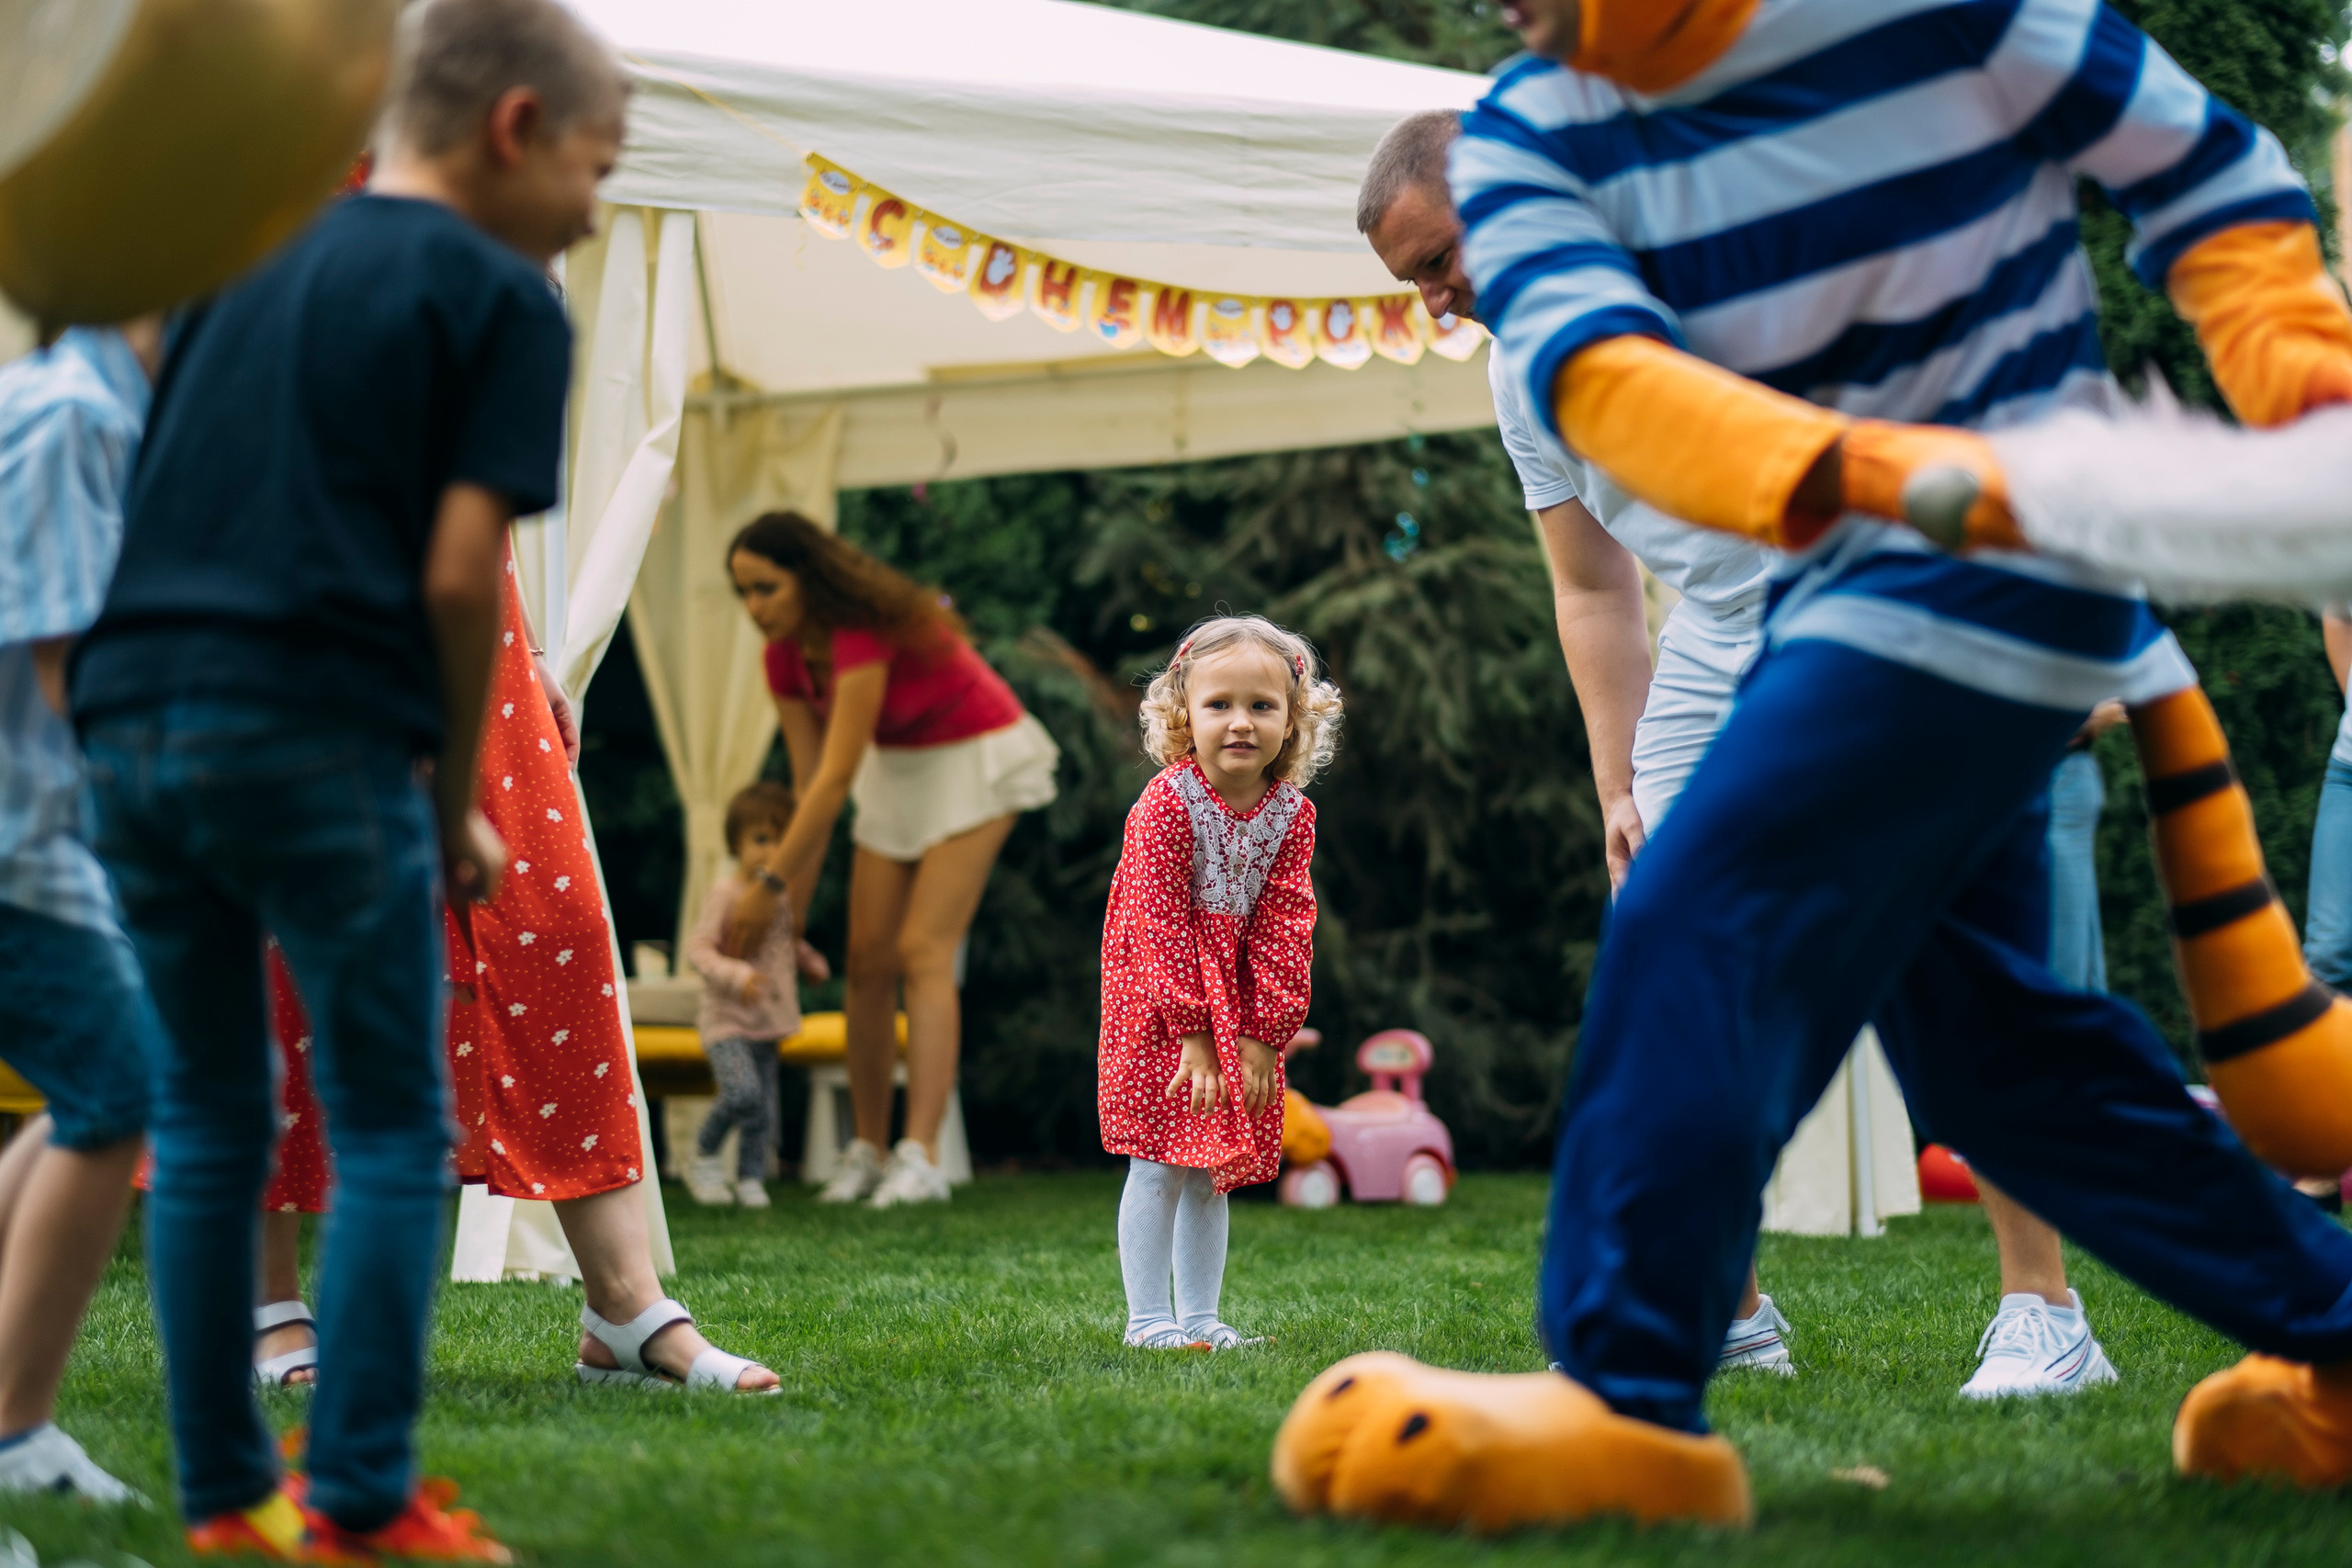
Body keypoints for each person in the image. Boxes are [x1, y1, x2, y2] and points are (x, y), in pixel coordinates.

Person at [1274, 0, 2352, 1529]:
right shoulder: (1531, 143)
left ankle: (1624, 1396)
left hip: (1995, 559)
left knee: (1693, 929)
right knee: (2001, 1056)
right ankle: (2335, 1324)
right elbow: (1608, 383)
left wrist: (2309, 396)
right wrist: (1871, 475)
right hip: (1846, 579)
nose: (1446, 300)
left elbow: (2204, 165)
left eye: (1433, 266)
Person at [1359, 109, 2117, 1400]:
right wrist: (1619, 780)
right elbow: (1594, 591)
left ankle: (2045, 1312)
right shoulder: (1516, 373)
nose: (1440, 303)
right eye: (1415, 285)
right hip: (1716, 641)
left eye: (1442, 261)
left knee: (1970, 961)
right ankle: (1718, 1304)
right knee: (1662, 961)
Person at [72, 0, 626, 1554]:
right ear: (514, 126)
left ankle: (226, 1500)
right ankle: (364, 1502)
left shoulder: (238, 255)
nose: (591, 207)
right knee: (389, 1124)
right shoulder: (501, 299)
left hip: (136, 721)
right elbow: (460, 579)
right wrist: (454, 789)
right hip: (313, 724)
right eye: (595, 166)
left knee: (207, 1112)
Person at [244, 557, 784, 1394]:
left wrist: (527, 649)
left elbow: (475, 505)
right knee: (290, 949)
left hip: (480, 638)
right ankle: (265, 1303)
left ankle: (623, 1309)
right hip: (326, 613)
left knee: (555, 928)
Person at [726, 511, 1060, 1208]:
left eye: (766, 588)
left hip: (975, 755)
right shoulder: (783, 656)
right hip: (898, 768)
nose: (755, 608)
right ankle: (869, 1150)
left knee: (922, 949)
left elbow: (834, 779)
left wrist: (764, 887)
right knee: (865, 956)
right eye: (744, 594)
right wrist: (788, 913)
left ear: (807, 577)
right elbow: (807, 781)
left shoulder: (860, 632)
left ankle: (923, 1155)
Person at [0, 320, 163, 1503]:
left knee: (99, 1088)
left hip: (35, 830)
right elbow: (79, 670)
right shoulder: (76, 415)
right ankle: (11, 1436)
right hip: (14, 837)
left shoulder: (107, 410)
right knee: (115, 1089)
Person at [1101, 616, 1332, 1349]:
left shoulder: (1291, 816)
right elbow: (1157, 923)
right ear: (1183, 714)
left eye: (1262, 706)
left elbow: (1288, 924)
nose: (1240, 722)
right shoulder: (1167, 803)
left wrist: (1265, 1034)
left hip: (1234, 1006)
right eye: (1219, 704)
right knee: (1161, 1159)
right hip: (1160, 1003)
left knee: (1212, 1169)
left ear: (1292, 722)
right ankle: (1147, 1320)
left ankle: (1201, 1317)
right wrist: (1193, 1033)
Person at [682, 782, 805, 1210]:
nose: (771, 852)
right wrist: (737, 974)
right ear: (737, 842)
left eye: (780, 841)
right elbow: (698, 949)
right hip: (727, 1019)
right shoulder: (725, 893)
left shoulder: (780, 895)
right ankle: (704, 1157)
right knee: (742, 1095)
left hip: (767, 1020)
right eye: (760, 840)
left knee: (762, 1109)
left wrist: (807, 959)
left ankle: (751, 1178)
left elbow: (780, 942)